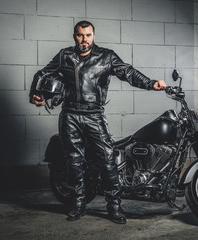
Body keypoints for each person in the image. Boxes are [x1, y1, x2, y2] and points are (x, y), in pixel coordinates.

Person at [29, 20, 166, 224]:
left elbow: (128, 73)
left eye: (88, 35)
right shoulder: (64, 55)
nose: (84, 39)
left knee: (107, 160)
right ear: (74, 36)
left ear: (94, 35)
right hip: (69, 115)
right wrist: (35, 93)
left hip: (94, 114)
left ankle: (114, 206)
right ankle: (78, 204)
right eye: (79, 35)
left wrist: (151, 83)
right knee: (73, 161)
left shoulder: (106, 57)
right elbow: (42, 73)